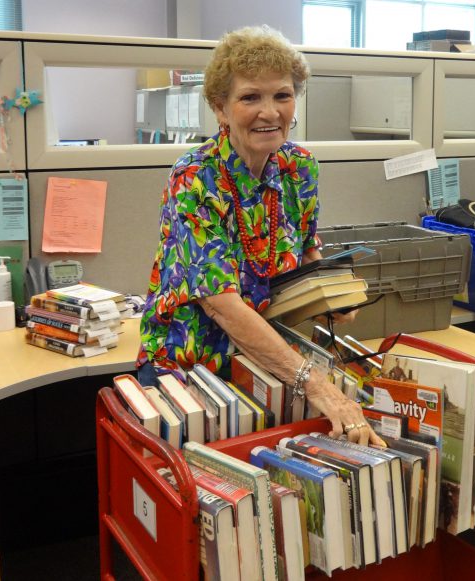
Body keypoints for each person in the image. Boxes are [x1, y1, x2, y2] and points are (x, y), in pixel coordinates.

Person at [136, 25, 382, 447]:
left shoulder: (299, 167)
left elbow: (306, 248)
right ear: (220, 107)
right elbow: (222, 307)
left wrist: (330, 292)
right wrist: (318, 386)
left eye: (282, 96)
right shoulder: (195, 179)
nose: (270, 112)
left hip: (264, 365)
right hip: (189, 373)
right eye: (251, 97)